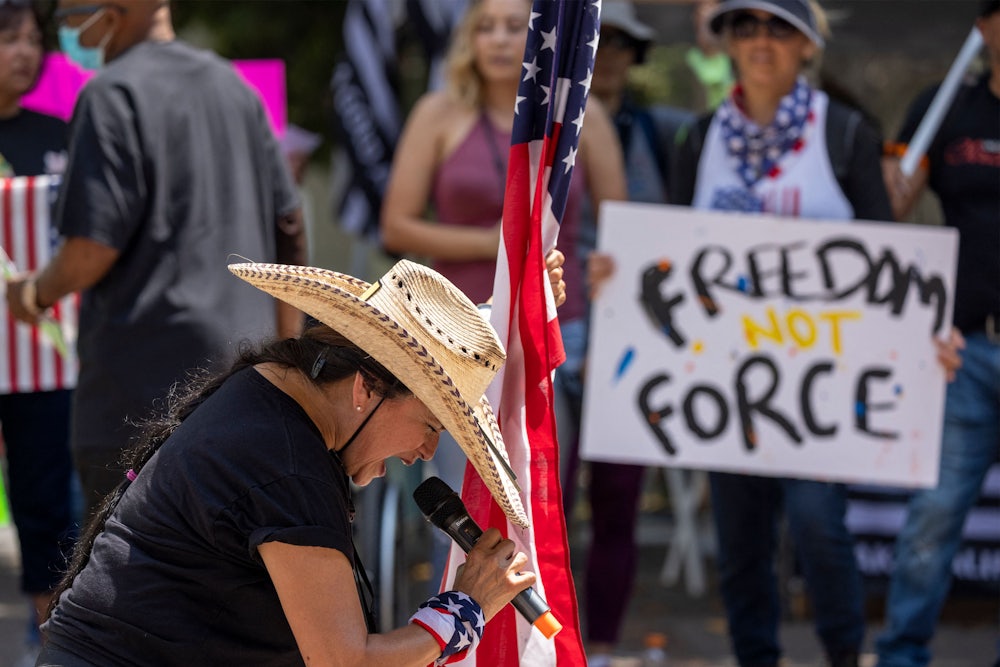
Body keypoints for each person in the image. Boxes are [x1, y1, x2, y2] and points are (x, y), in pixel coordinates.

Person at [35, 258, 541, 666]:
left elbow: (412, 352)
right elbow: (345, 663)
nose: (427, 452)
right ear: (365, 387)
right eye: (431, 425)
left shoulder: (278, 390)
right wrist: (465, 606)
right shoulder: (287, 465)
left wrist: (497, 313)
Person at [4, 0, 306, 518]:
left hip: (138, 401)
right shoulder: (236, 90)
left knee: (125, 584)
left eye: (72, 13)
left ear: (113, 10)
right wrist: (284, 364)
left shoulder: (110, 94)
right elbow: (290, 233)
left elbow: (92, 247)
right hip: (242, 388)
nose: (70, 27)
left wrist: (34, 292)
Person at [669, 1, 891, 665]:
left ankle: (844, 654)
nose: (761, 41)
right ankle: (755, 656)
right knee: (740, 539)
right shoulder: (698, 138)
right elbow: (672, 253)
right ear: (728, 44)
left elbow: (887, 257)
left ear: (806, 47)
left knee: (820, 526)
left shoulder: (846, 133)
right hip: (724, 378)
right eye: (746, 26)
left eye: (779, 27)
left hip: (818, 382)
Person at [379, 0, 626, 589]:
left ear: (543, 37)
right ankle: (452, 624)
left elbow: (622, 223)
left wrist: (601, 269)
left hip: (554, 336)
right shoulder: (437, 114)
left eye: (513, 26)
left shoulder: (578, 118)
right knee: (464, 500)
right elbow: (396, 225)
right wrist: (497, 245)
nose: (496, 39)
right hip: (453, 337)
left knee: (539, 498)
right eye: (483, 27)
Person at [875, 2, 1000, 666]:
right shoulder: (945, 107)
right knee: (932, 520)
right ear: (983, 26)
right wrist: (894, 181)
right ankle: (901, 654)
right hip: (965, 350)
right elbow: (890, 212)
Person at [569, 3, 692, 663]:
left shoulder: (666, 133)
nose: (606, 51)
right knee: (547, 497)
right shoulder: (540, 123)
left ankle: (608, 645)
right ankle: (550, 639)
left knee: (618, 500)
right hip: (559, 330)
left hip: (632, 337)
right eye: (598, 38)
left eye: (619, 42)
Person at [0, 1, 76, 663]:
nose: (24, 51)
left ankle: (50, 627)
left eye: (32, 39)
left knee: (44, 491)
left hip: (42, 356)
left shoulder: (58, 132)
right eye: (7, 39)